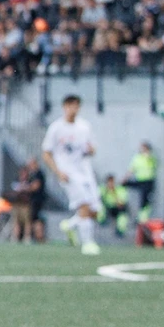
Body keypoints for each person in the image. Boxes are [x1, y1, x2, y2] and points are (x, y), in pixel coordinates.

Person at [41, 94, 100, 256]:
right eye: (70, 105)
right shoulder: (56, 128)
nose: (73, 109)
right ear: (64, 107)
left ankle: (70, 225)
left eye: (76, 106)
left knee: (95, 211)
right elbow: (46, 153)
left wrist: (90, 150)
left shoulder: (84, 127)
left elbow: (93, 149)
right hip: (68, 173)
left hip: (85, 172)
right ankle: (87, 243)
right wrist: (58, 171)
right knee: (85, 205)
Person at [124, 141, 156, 223]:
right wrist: (125, 179)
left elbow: (155, 165)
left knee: (145, 200)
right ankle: (139, 216)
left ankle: (143, 218)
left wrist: (148, 156)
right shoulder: (137, 158)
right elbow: (131, 169)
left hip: (148, 181)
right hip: (140, 180)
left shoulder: (150, 157)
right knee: (125, 186)